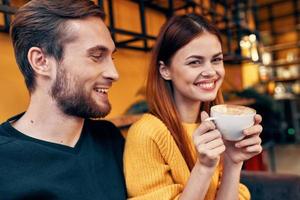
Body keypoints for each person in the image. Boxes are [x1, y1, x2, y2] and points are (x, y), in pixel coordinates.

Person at [124, 14, 263, 200]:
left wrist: (233, 160)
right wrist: (204, 167)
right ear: (165, 70)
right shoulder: (145, 134)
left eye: (216, 60)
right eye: (194, 62)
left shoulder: (218, 126)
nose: (210, 72)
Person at [0, 0, 126, 199]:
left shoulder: (110, 139)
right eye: (96, 56)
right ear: (41, 62)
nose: (114, 73)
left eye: (112, 58)